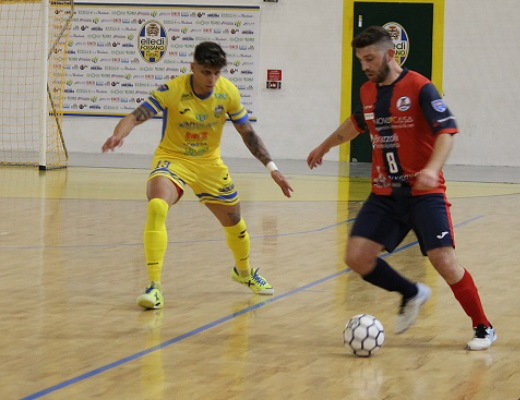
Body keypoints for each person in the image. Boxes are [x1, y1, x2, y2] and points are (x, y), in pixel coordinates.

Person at [307, 26, 496, 351]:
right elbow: (356, 123)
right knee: (356, 257)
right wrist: (324, 146)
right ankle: (411, 293)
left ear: (390, 54)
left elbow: (447, 132)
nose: (365, 65)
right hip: (385, 195)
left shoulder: (420, 87)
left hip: (425, 194)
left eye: (370, 58)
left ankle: (484, 327)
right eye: (360, 60)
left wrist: (431, 169)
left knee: (443, 261)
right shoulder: (368, 91)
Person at [102, 41, 293, 310]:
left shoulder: (228, 93)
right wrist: (117, 135)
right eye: (205, 72)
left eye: (216, 73)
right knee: (157, 206)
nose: (211, 79)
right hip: (173, 159)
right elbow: (135, 117)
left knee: (235, 222)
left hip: (209, 163)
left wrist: (272, 168)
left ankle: (244, 272)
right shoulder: (173, 89)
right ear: (193, 67)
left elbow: (248, 134)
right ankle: (154, 286)